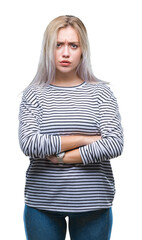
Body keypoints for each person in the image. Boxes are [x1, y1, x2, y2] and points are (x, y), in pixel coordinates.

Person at [19, 15, 124, 240]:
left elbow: (114, 143)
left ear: (82, 50)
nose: (65, 53)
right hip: (42, 203)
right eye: (59, 45)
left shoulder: (101, 93)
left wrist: (61, 158)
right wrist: (86, 139)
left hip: (93, 202)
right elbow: (29, 144)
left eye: (73, 45)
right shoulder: (34, 94)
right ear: (49, 48)